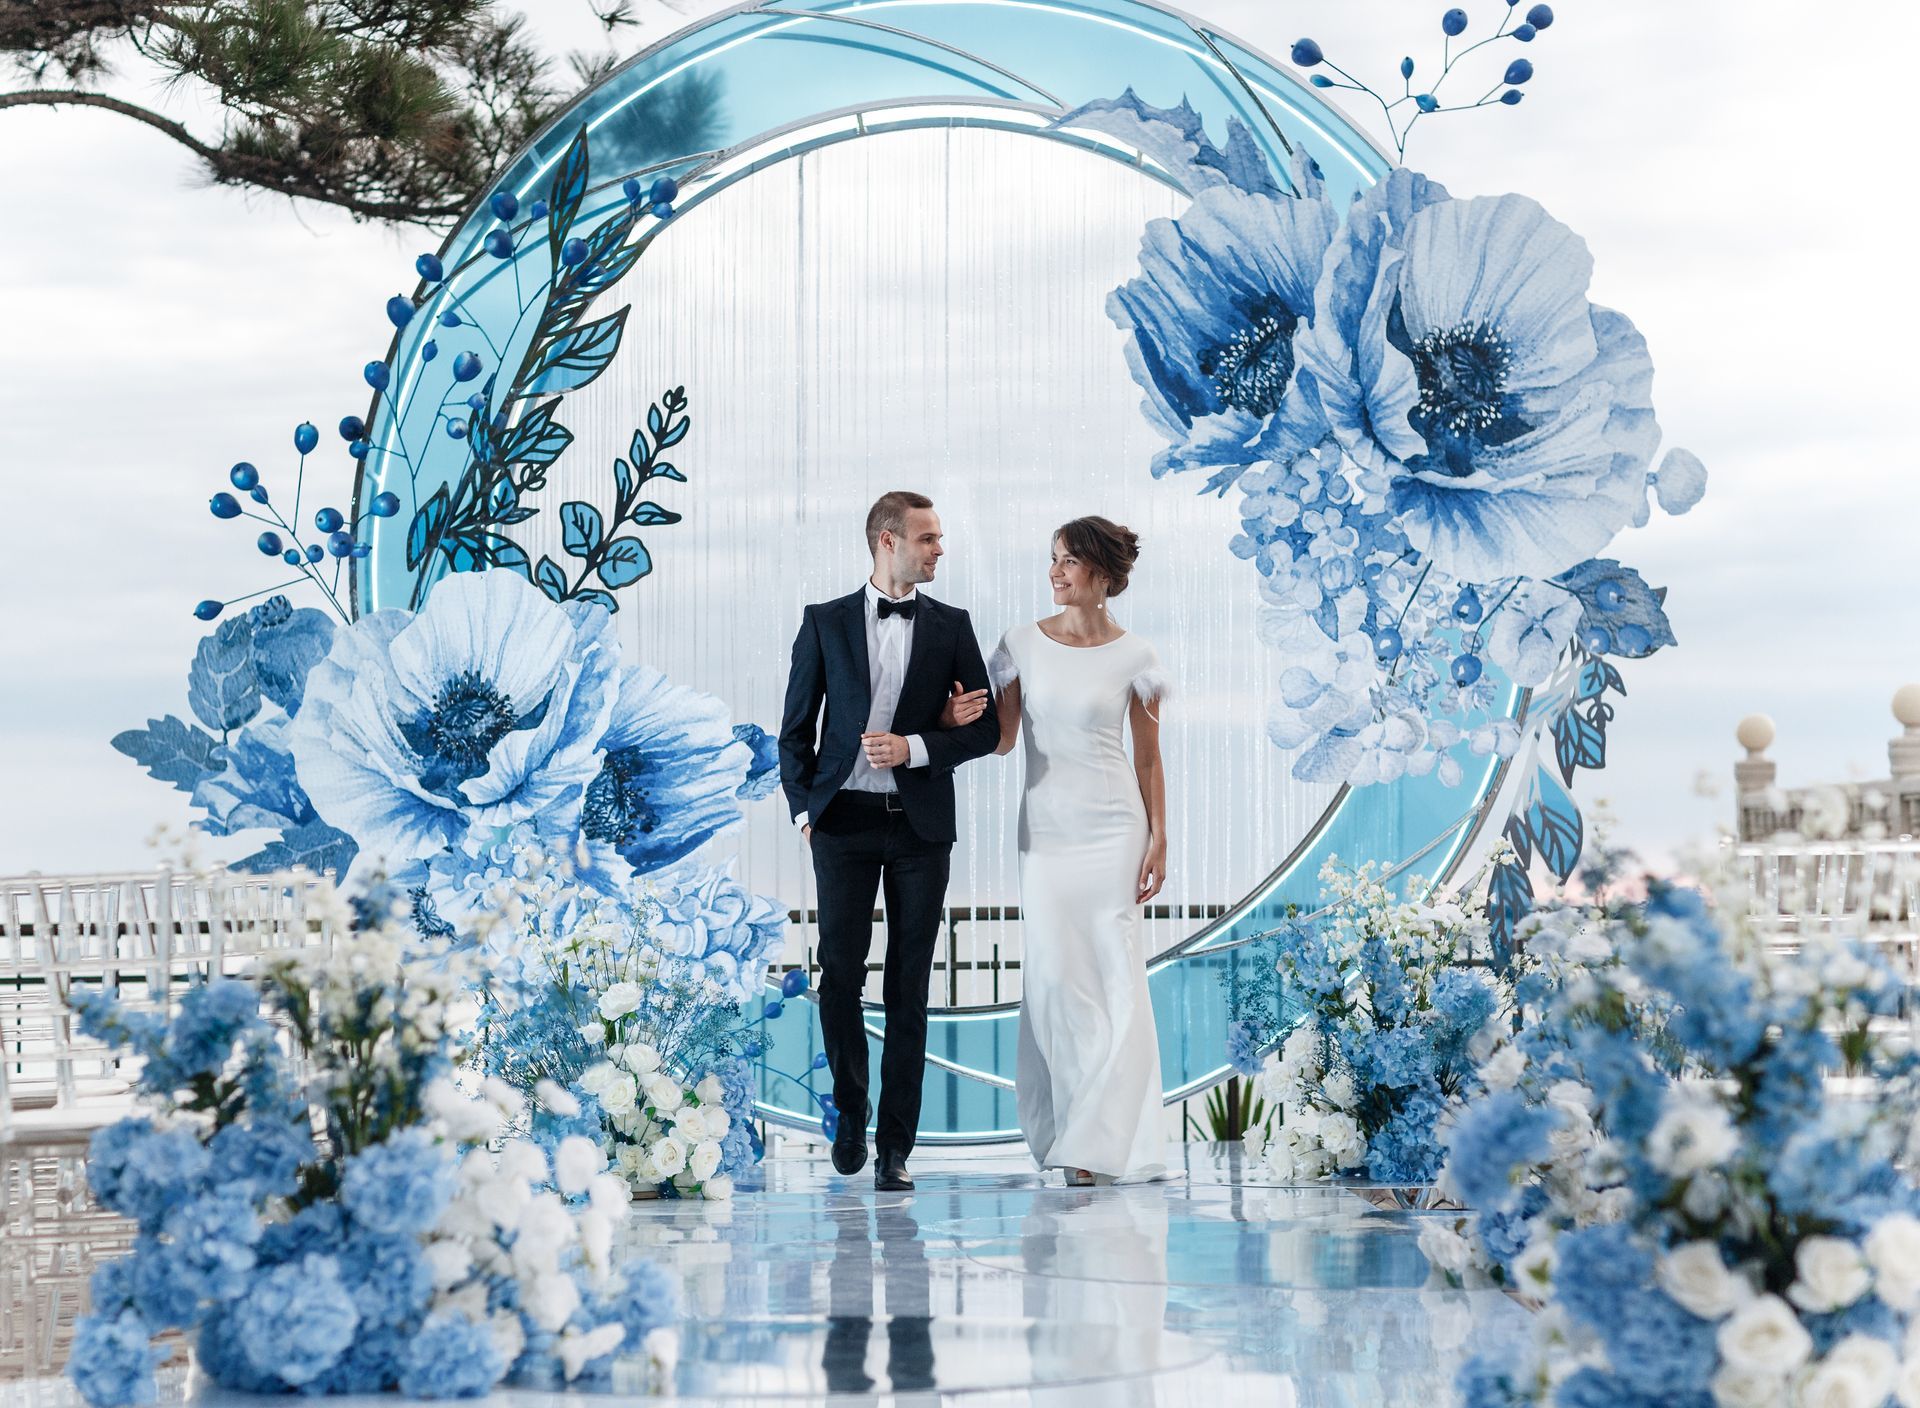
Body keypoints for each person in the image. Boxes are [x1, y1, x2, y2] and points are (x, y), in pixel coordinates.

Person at [779, 490, 1001, 1191]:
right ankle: (850, 1111)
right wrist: (803, 812)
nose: (940, 549)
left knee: (910, 986)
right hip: (839, 822)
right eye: (929, 538)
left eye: (939, 538)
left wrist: (915, 746)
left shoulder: (953, 625)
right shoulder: (824, 623)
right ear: (887, 540)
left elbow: (985, 731)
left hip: (920, 829)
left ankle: (895, 1149)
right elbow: (794, 733)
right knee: (840, 977)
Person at [947, 515, 1171, 1185]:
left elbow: (1150, 760)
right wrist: (953, 720)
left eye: (1068, 561)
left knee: (1116, 976)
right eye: (1052, 559)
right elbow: (1005, 737)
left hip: (1114, 830)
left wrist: (1161, 837)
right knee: (1055, 981)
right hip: (1045, 834)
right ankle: (1074, 1128)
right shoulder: (1018, 644)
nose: (1054, 571)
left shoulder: (1139, 659)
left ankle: (1095, 1146)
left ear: (1102, 574)